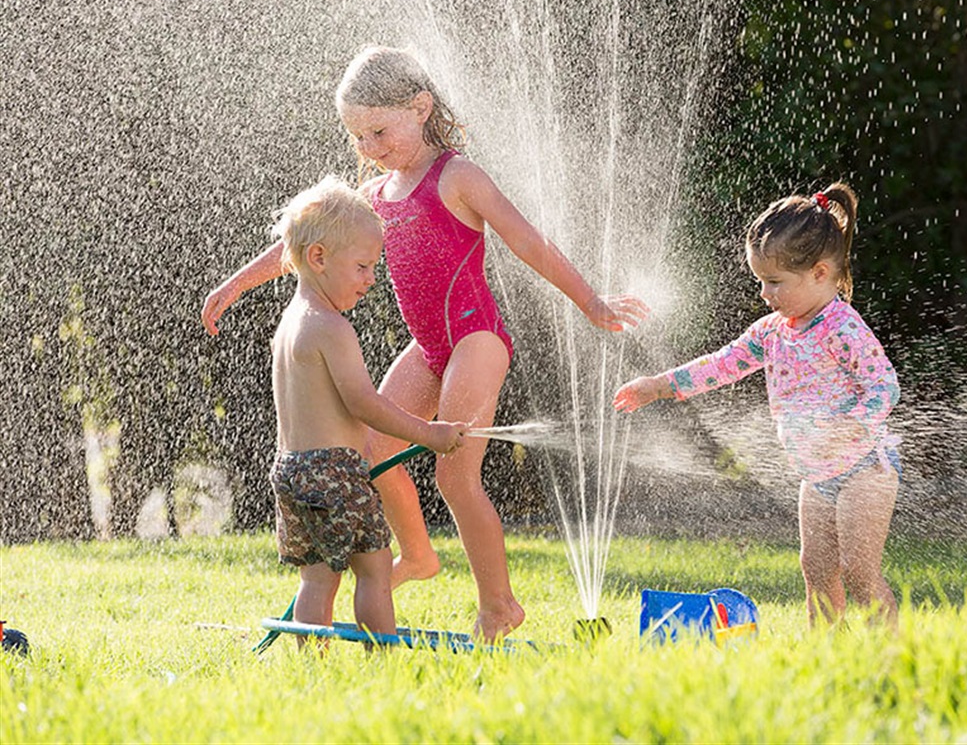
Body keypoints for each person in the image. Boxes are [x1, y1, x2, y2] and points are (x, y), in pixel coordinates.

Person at [202, 46, 649, 640]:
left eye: (379, 131)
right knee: (367, 449)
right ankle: (417, 554)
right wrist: (236, 283)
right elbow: (305, 238)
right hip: (428, 346)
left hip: (475, 338)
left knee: (455, 476)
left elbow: (525, 240)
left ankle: (499, 605)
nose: (370, 146)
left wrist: (590, 302)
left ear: (420, 107)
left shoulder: (457, 177)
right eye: (358, 136)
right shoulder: (376, 192)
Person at [613, 183, 901, 627]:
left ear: (821, 273)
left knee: (859, 572)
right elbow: (722, 364)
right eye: (760, 281)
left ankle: (892, 654)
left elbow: (884, 385)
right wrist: (659, 385)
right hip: (817, 476)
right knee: (817, 570)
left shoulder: (841, 326)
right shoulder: (772, 331)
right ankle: (826, 654)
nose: (765, 293)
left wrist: (856, 424)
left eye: (775, 282)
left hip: (865, 468)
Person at [267, 176, 465, 647]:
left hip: (292, 469)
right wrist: (429, 433)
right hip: (336, 472)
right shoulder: (331, 327)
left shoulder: (291, 324)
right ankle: (384, 655)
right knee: (375, 569)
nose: (370, 279)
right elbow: (365, 403)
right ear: (318, 258)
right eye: (362, 266)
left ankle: (311, 662)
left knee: (317, 578)